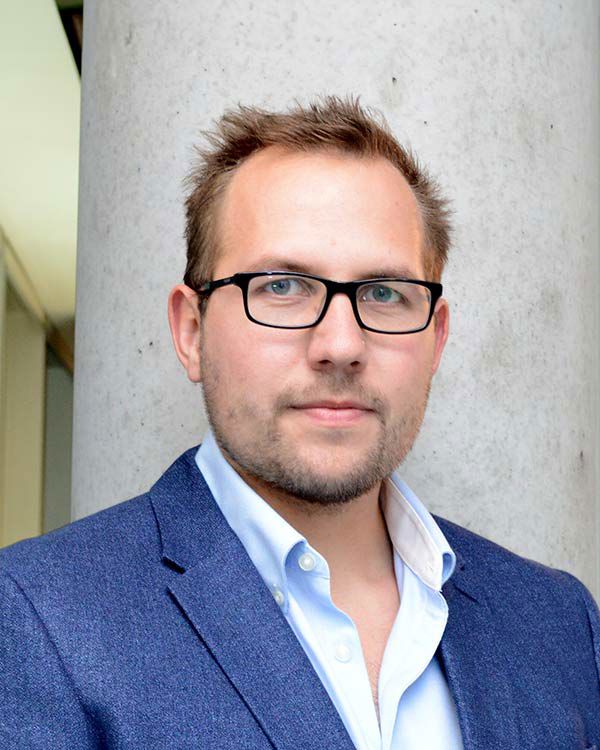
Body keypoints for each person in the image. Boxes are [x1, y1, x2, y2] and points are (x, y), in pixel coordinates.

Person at [1, 97, 598, 750]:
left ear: (436, 338)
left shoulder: (560, 624)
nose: (340, 345)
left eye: (384, 293)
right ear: (192, 331)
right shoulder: (39, 617)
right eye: (282, 286)